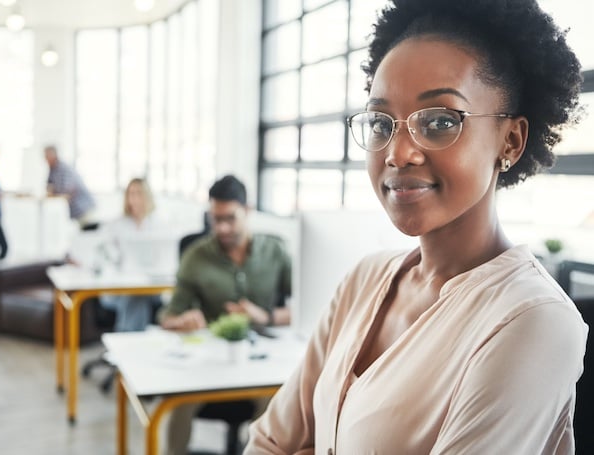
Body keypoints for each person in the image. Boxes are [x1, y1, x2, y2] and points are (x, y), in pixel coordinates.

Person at [245, 1, 589, 454]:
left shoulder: (532, 320)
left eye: (441, 121)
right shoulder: (365, 280)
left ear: (511, 140)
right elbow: (269, 441)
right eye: (381, 122)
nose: (397, 153)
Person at [158, 174, 292, 454]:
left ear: (248, 210)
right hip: (209, 362)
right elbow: (168, 315)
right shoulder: (195, 256)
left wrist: (263, 316)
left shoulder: (276, 251)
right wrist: (181, 321)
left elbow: (304, 311)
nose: (221, 228)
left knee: (280, 399)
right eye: (214, 219)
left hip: (261, 359)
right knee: (178, 399)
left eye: (230, 218)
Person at [99, 178, 164, 331]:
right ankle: (132, 345)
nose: (134, 199)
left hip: (151, 286)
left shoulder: (159, 225)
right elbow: (106, 258)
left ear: (147, 197)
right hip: (119, 288)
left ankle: (122, 345)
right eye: (131, 194)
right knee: (135, 296)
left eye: (139, 194)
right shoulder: (115, 226)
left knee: (138, 294)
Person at [44, 145, 97, 230]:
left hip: (84, 208)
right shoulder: (52, 170)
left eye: (46, 156)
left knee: (87, 236)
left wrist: (53, 195)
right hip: (75, 211)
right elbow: (49, 187)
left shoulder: (64, 169)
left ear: (53, 156)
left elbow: (68, 192)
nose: (45, 159)